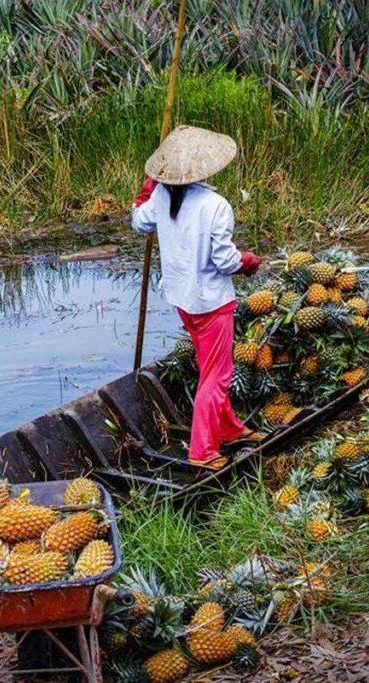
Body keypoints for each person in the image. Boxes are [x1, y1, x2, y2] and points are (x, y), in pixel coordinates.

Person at [132, 125, 264, 471]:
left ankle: (229, 429)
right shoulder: (215, 205)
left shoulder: (163, 195)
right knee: (218, 376)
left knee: (210, 367)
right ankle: (203, 450)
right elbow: (224, 261)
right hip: (211, 302)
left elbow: (140, 223)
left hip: (182, 299)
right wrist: (246, 262)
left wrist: (143, 196)